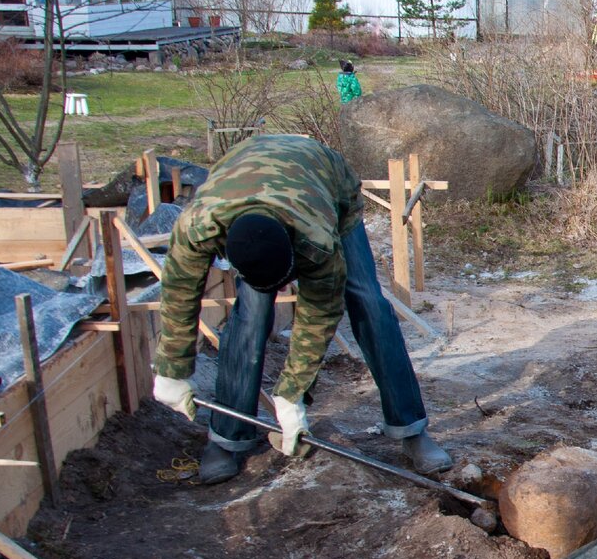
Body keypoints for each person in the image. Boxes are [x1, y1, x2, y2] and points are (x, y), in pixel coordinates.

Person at [152, 134, 452, 484]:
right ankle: (227, 437)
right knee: (250, 316)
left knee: (367, 301)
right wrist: (172, 368)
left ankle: (410, 428)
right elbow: (178, 292)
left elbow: (319, 314)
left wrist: (291, 394)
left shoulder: (318, 238)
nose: (281, 290)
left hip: (326, 186)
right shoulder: (198, 226)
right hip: (243, 184)